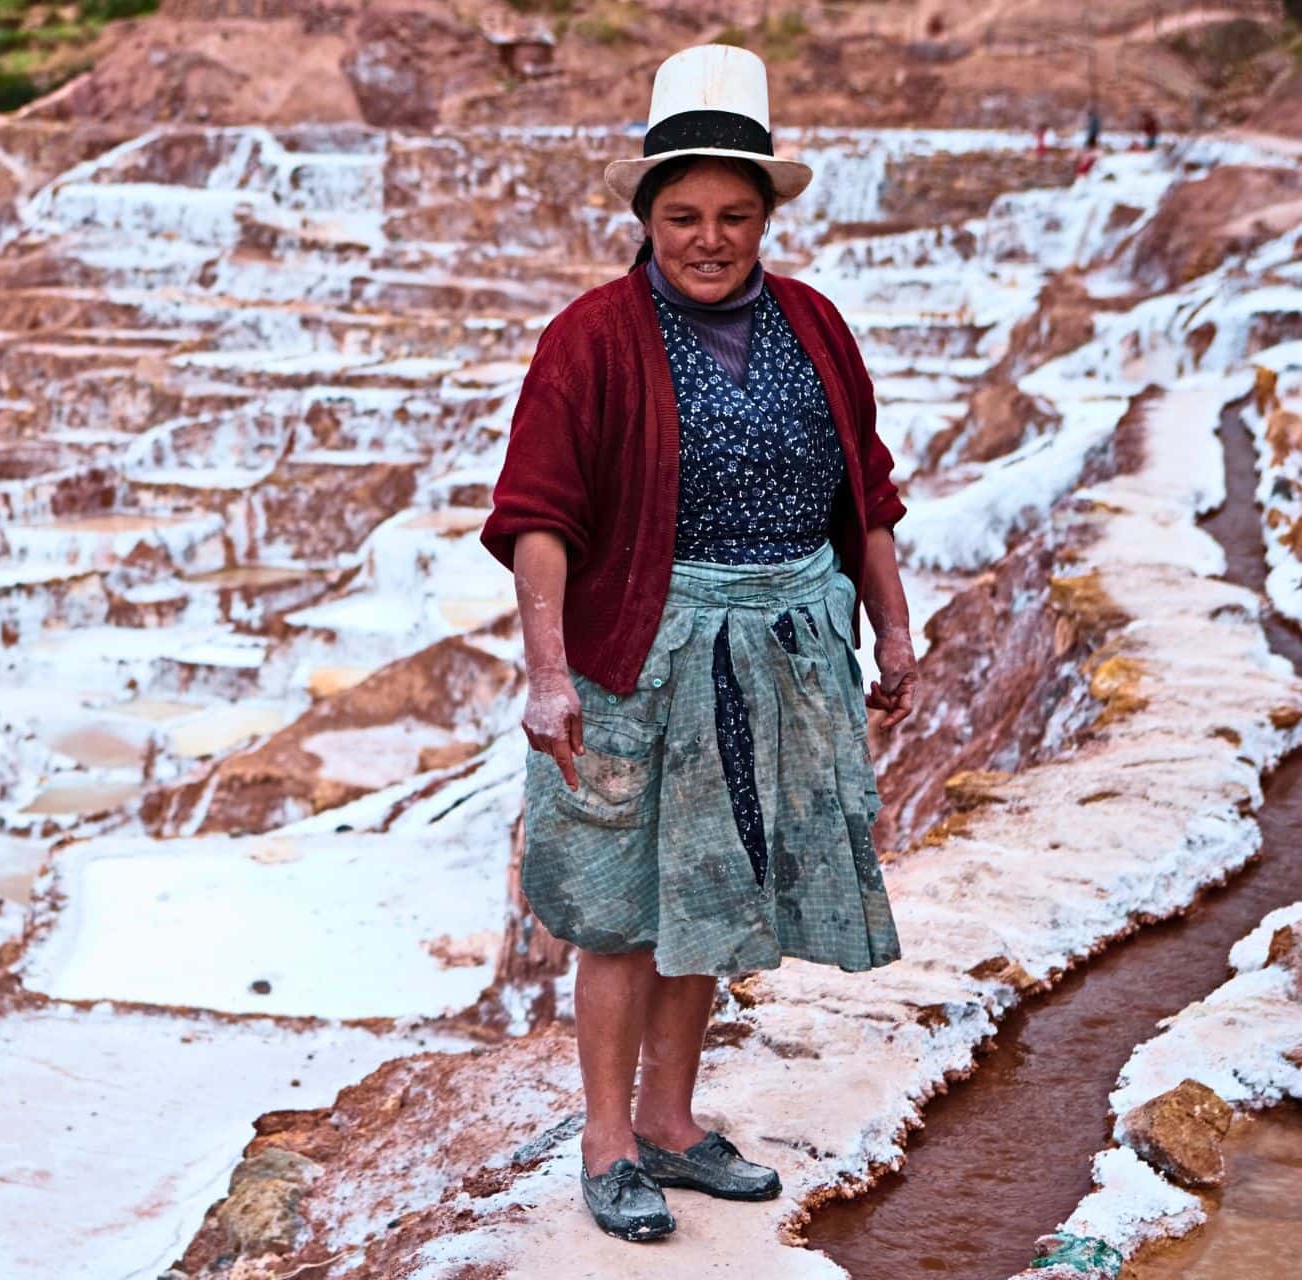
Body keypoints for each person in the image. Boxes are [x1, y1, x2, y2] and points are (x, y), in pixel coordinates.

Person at [480, 44, 918, 1242]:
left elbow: (864, 497)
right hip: (638, 659)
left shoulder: (816, 327)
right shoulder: (591, 339)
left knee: (712, 898)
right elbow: (539, 517)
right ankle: (606, 1139)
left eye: (735, 213)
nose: (709, 236)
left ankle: (672, 1122)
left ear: (768, 215)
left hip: (784, 657)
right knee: (623, 907)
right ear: (648, 216)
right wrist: (548, 671)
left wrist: (893, 627)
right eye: (684, 215)